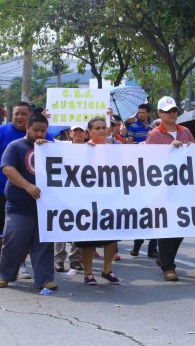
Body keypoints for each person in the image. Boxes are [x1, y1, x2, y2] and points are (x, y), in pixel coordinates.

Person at [0, 102, 53, 282]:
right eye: (16, 113)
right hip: (2, 190)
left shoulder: (45, 136)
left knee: (24, 232)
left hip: (38, 193)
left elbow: (59, 156)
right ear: (12, 115)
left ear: (30, 116)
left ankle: (20, 264)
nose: (19, 117)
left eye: (24, 114)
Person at [0, 113, 57, 290]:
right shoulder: (15, 146)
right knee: (14, 239)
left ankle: (44, 279)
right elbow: (8, 169)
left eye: (43, 131)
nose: (39, 134)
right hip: (19, 204)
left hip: (44, 205)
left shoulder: (50, 147)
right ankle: (5, 275)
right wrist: (28, 186)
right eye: (36, 130)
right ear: (27, 128)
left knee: (44, 243)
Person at [145, 96, 194, 281]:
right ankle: (168, 265)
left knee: (182, 224)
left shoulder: (186, 131)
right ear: (159, 113)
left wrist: (191, 148)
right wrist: (169, 149)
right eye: (168, 111)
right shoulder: (155, 135)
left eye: (174, 110)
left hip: (184, 185)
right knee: (167, 225)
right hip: (163, 188)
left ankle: (164, 257)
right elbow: (148, 160)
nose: (172, 114)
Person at [76, 117, 120, 285]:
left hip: (110, 198)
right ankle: (88, 273)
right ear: (89, 131)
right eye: (97, 128)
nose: (101, 130)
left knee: (112, 235)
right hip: (88, 199)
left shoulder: (114, 150)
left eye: (104, 127)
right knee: (88, 237)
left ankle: (107, 270)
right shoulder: (81, 150)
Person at [53, 125, 85, 272]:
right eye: (75, 130)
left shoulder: (92, 149)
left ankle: (75, 258)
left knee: (80, 225)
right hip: (63, 193)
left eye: (81, 130)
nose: (78, 133)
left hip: (82, 193)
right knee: (61, 225)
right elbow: (46, 141)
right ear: (70, 133)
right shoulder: (60, 146)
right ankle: (59, 259)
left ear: (86, 134)